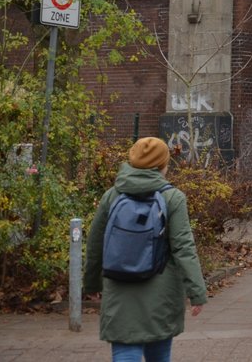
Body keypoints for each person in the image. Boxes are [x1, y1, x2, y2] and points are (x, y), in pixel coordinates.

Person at [83, 137, 207, 362]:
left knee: (124, 351)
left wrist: (92, 283)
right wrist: (196, 292)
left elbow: (96, 243)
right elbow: (183, 248)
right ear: (162, 166)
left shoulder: (112, 195)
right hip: (161, 291)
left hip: (119, 287)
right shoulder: (173, 198)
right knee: (159, 354)